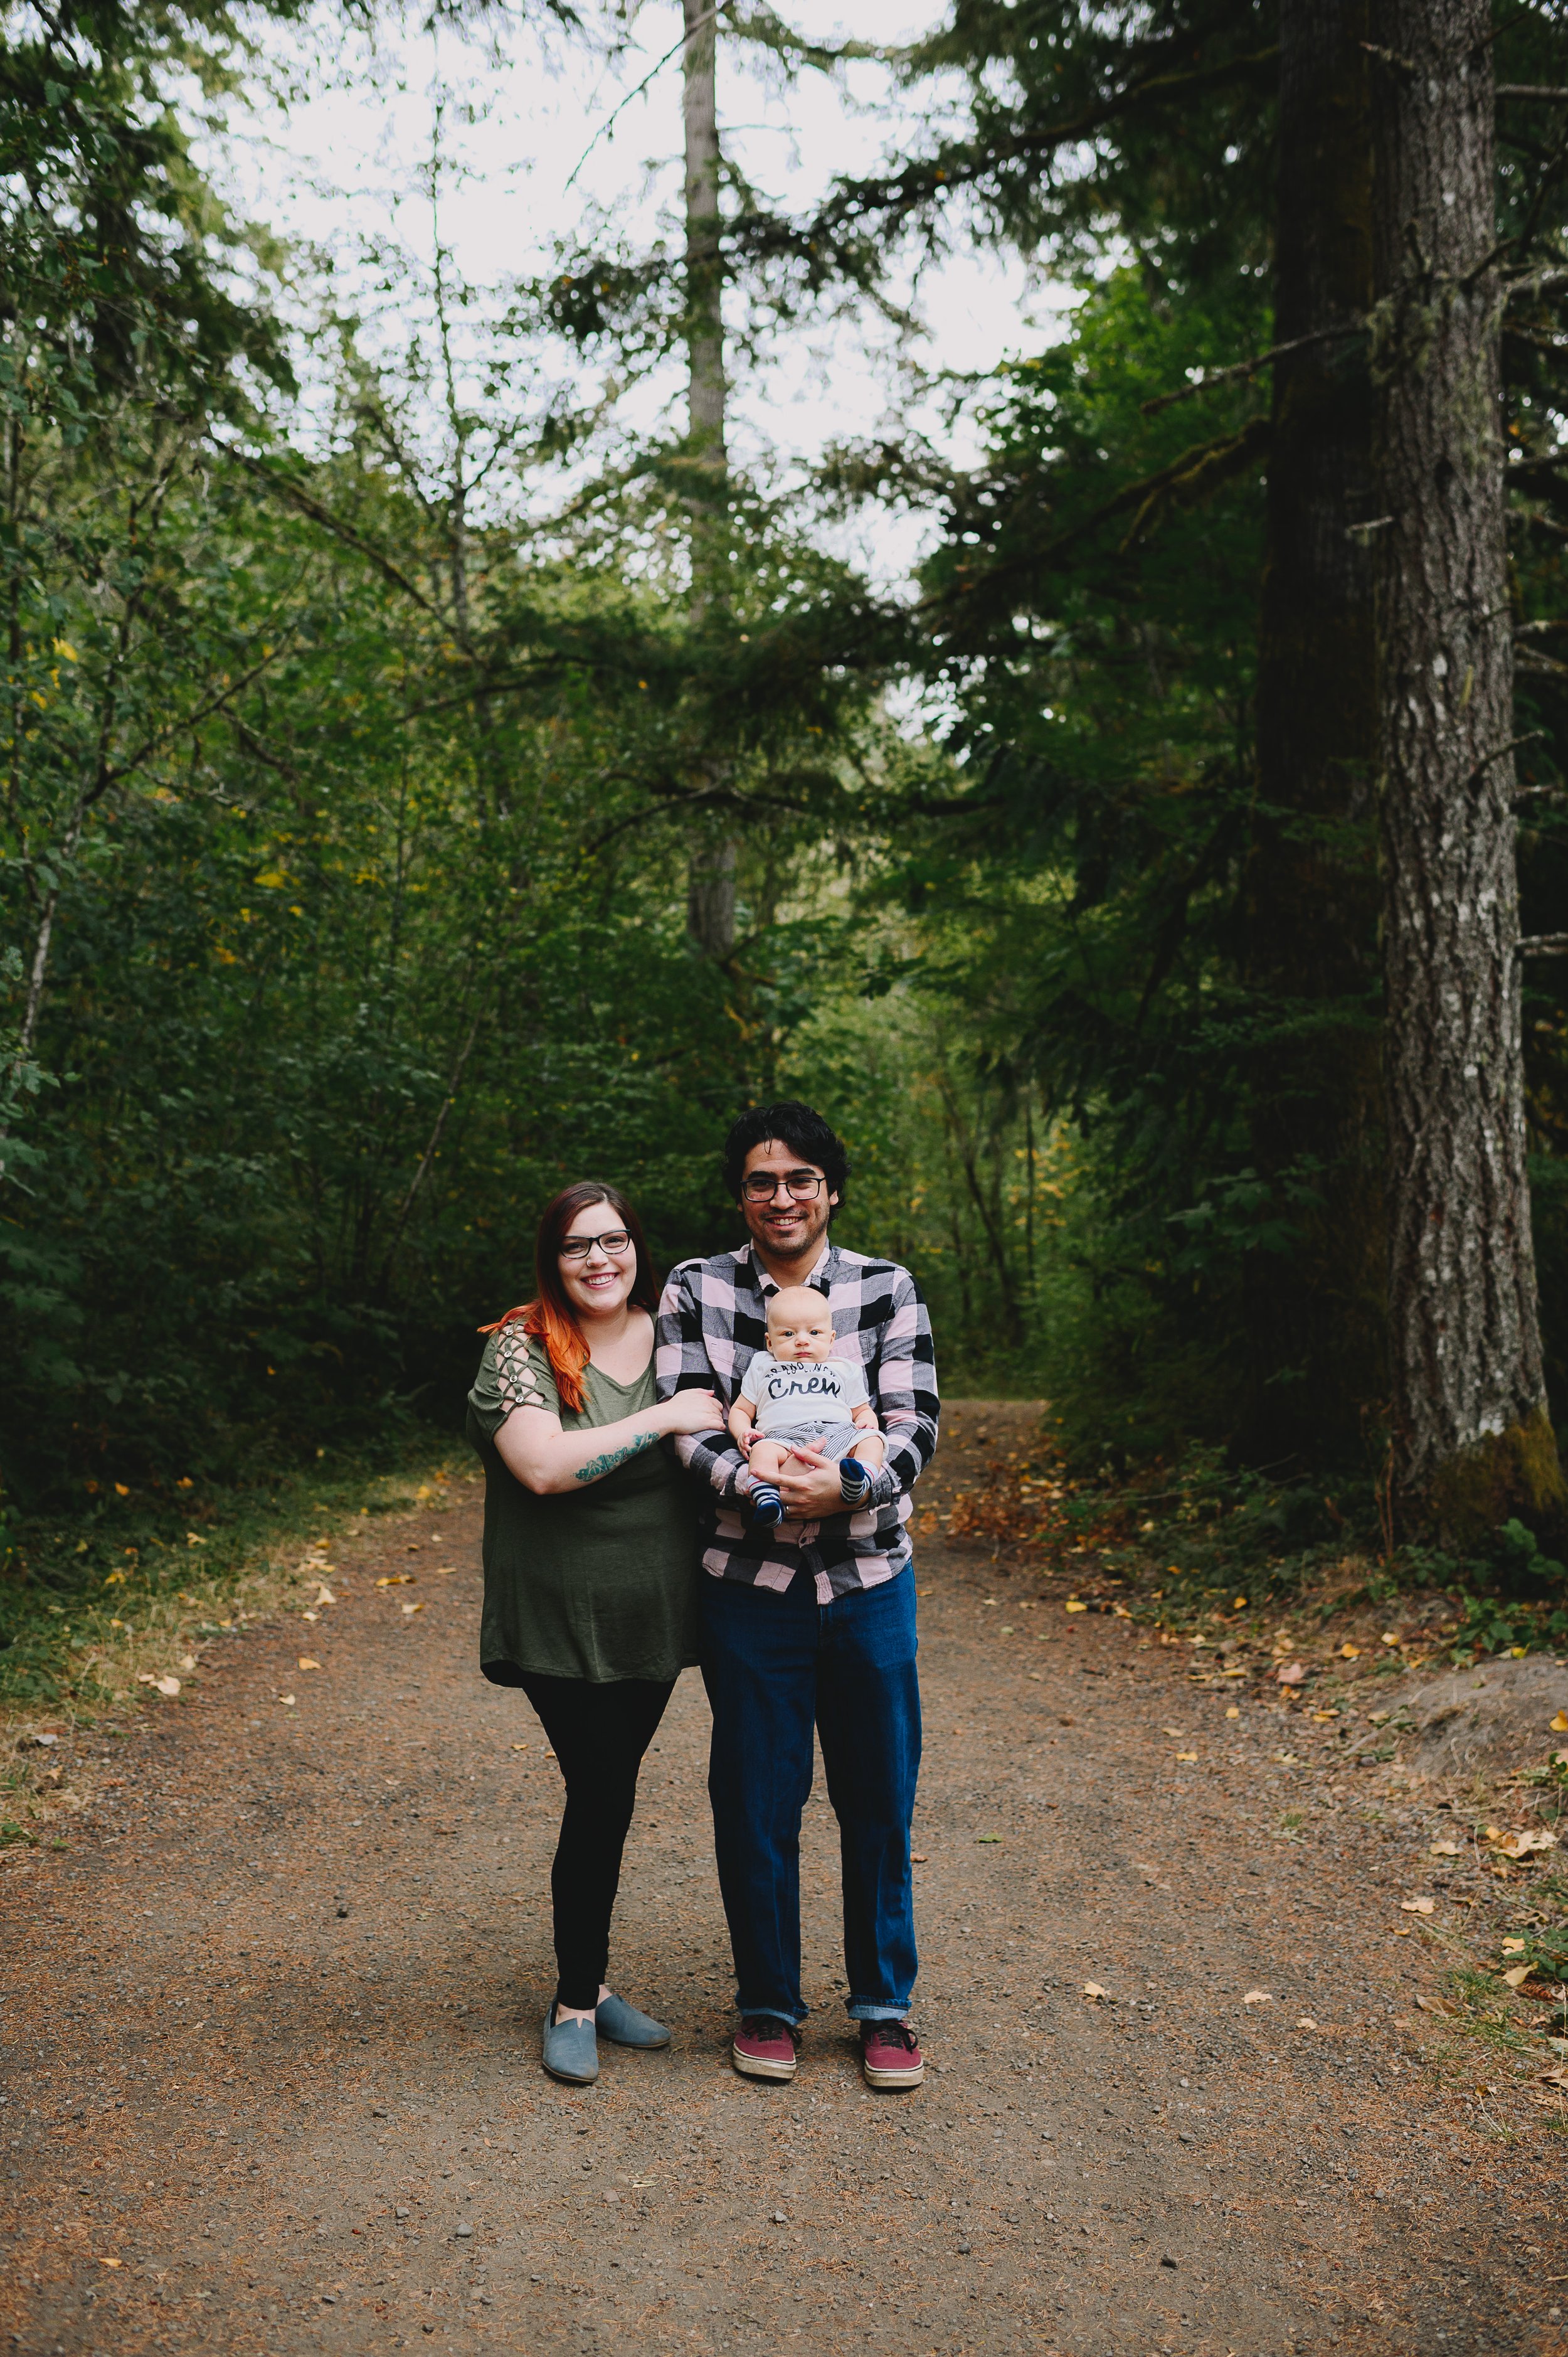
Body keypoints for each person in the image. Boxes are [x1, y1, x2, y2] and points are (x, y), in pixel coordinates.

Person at [655, 1102, 939, 2091]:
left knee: (878, 1798)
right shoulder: (696, 1289)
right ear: (741, 1193)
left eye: (801, 1179)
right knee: (755, 1799)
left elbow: (914, 1418)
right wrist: (765, 1490)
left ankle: (883, 2008)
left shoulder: (885, 1287)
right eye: (762, 1180)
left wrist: (852, 1484)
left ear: (831, 1189)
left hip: (869, 1580)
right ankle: (767, 2002)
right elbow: (689, 1426)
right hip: (750, 1585)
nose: (783, 1196)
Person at [466, 1181, 724, 2087]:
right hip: (556, 1613)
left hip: (655, 1608)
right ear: (553, 1259)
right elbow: (540, 1465)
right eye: (578, 1246)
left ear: (637, 1249)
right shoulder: (520, 1346)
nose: (599, 1260)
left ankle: (591, 1984)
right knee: (602, 1784)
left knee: (608, 1791)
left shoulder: (681, 1337)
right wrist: (663, 1415)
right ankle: (578, 1999)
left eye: (613, 1242)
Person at [727, 1284, 886, 1525]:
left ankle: (859, 1481)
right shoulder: (763, 1366)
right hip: (783, 1439)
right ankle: (769, 1500)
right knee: (762, 1452)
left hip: (837, 1433)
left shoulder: (844, 1369)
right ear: (770, 1343)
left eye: (814, 1333)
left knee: (872, 1440)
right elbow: (740, 1409)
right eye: (789, 1334)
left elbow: (862, 1410)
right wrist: (743, 1432)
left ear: (831, 1339)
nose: (802, 1341)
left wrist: (866, 1422)